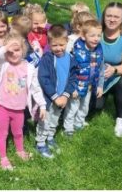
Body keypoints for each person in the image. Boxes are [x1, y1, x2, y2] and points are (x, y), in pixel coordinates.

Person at [0, 32, 45, 170]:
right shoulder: (4, 65)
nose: (13, 53)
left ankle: (20, 151)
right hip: (1, 106)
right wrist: (5, 47)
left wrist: (42, 105)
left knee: (18, 132)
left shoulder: (30, 68)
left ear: (23, 50)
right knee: (3, 133)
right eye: (10, 51)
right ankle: (3, 157)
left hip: (19, 109)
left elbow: (36, 88)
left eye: (17, 50)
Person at [92, 2, 122, 137]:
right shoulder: (95, 33)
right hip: (96, 76)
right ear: (103, 16)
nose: (112, 19)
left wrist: (114, 70)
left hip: (116, 75)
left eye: (116, 17)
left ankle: (121, 119)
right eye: (109, 16)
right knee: (95, 107)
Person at [36, 25, 73, 157]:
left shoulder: (70, 58)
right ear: (49, 44)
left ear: (67, 41)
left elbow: (73, 77)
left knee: (55, 119)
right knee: (44, 121)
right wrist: (55, 96)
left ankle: (50, 137)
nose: (58, 48)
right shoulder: (47, 59)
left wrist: (66, 95)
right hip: (48, 98)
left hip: (62, 97)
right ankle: (40, 143)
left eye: (61, 44)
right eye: (54, 45)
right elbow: (43, 78)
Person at [63, 20, 104, 136]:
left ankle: (79, 123)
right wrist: (72, 88)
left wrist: (100, 85)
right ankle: (68, 128)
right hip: (77, 86)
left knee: (84, 107)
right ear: (83, 36)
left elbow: (101, 69)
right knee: (72, 108)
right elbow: (69, 71)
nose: (96, 39)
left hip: (90, 86)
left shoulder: (99, 51)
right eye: (92, 35)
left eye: (99, 36)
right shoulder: (76, 51)